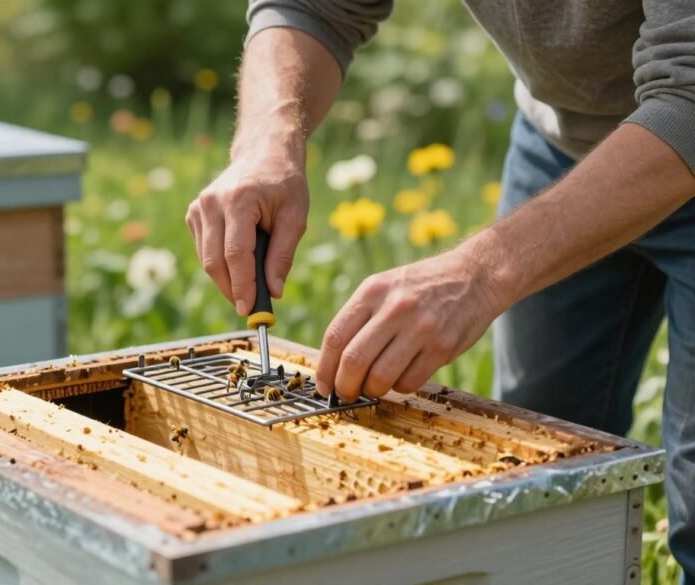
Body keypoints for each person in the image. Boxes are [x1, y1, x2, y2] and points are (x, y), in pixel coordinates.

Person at [185, 1, 695, 580]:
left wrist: (480, 273)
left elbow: (690, 94)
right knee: (538, 474)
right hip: (562, 140)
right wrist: (266, 140)